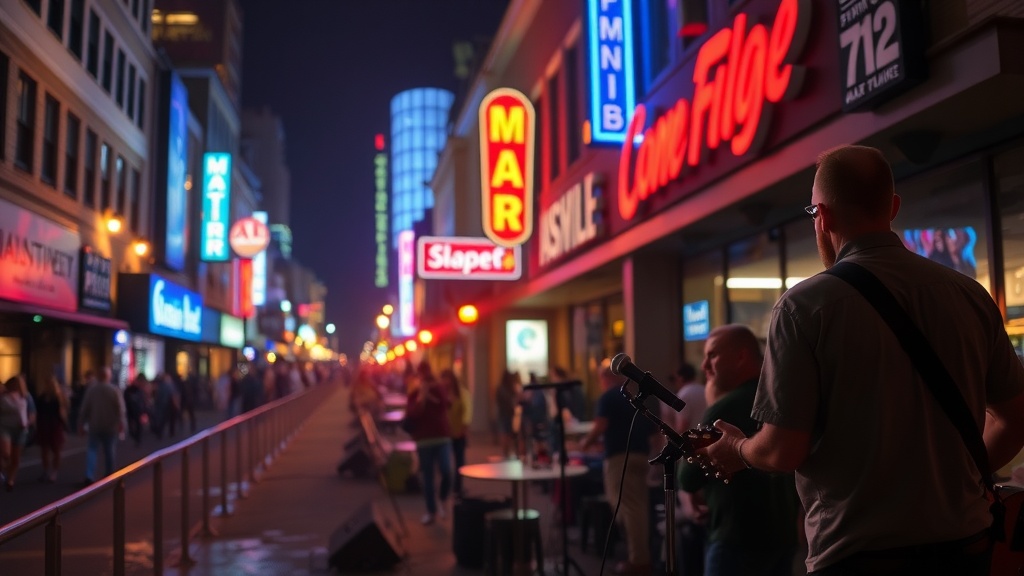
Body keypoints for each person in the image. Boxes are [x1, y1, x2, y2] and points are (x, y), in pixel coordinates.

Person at [701, 145, 1024, 575]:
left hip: (858, 554)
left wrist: (737, 449)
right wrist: (966, 481)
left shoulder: (803, 308)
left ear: (822, 215)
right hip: (965, 546)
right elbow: (1014, 419)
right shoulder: (969, 295)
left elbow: (782, 450)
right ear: (892, 207)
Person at [679, 325, 798, 576]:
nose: (704, 366)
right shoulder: (782, 397)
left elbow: (687, 478)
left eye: (712, 355)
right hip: (783, 536)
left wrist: (713, 406)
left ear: (741, 356)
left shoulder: (726, 407)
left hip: (735, 537)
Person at [578, 359, 657, 576]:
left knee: (627, 509)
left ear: (605, 377)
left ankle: (639, 561)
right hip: (641, 456)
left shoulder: (608, 397)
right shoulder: (636, 396)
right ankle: (641, 556)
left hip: (620, 458)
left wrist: (585, 443)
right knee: (639, 507)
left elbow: (600, 426)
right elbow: (653, 431)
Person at [404, 361, 453, 525]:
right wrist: (421, 398)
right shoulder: (414, 392)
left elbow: (445, 406)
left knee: (446, 470)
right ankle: (431, 511)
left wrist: (430, 395)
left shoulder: (439, 389)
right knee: (428, 476)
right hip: (424, 439)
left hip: (441, 436)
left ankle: (443, 498)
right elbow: (413, 413)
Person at [78, 366, 127, 485]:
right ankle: (109, 474)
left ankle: (89, 475)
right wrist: (122, 424)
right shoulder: (114, 390)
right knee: (109, 450)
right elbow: (121, 409)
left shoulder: (92, 390)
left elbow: (85, 408)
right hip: (111, 426)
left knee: (92, 449)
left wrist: (81, 423)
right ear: (108, 376)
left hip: (95, 424)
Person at [34, 374, 69, 483]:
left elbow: (62, 411)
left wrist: (64, 424)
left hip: (54, 424)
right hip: (44, 424)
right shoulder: (41, 397)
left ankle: (54, 471)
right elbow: (37, 411)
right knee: (44, 449)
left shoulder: (58, 397)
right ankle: (46, 470)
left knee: (56, 449)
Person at [442, 368, 471, 497]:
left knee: (459, 462)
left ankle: (457, 488)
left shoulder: (462, 393)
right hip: (445, 434)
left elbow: (467, 412)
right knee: (445, 463)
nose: (446, 382)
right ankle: (446, 487)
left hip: (459, 432)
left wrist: (464, 428)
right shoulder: (441, 394)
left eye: (447, 379)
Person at [0, 375, 31, 491]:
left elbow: (31, 412)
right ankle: (5, 471)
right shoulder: (4, 396)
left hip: (20, 429)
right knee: (6, 453)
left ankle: (10, 480)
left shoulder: (25, 397)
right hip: (5, 428)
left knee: (16, 457)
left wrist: (27, 422)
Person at [495, 369, 522, 459]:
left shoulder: (501, 388)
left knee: (505, 434)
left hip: (504, 415)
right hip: (509, 415)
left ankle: (505, 454)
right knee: (509, 435)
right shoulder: (509, 389)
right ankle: (508, 453)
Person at [123, 374, 149, 446]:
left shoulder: (139, 390)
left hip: (138, 411)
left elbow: (142, 400)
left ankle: (138, 439)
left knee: (139, 426)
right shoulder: (129, 391)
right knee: (131, 427)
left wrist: (144, 410)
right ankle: (136, 438)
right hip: (131, 411)